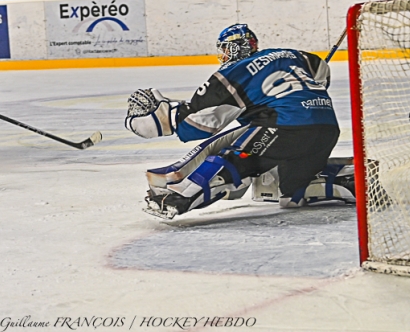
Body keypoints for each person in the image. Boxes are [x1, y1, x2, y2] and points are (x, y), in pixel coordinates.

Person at [124, 24, 346, 219]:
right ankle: (347, 179)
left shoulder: (233, 72)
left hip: (286, 126)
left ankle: (178, 199)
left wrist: (157, 117)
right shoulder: (291, 54)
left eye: (224, 48)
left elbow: (197, 124)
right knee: (290, 195)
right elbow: (321, 72)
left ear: (233, 48)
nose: (222, 55)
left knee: (232, 159)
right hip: (327, 126)